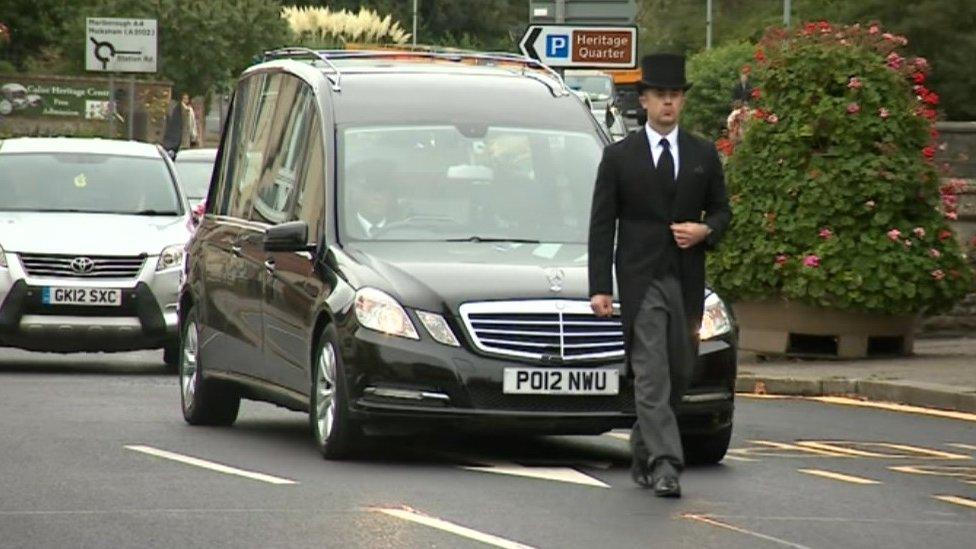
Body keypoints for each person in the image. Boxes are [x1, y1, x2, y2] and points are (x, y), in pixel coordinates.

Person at [587, 53, 731, 498]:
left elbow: (723, 212)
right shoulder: (618, 157)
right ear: (644, 101)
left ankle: (644, 445)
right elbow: (601, 223)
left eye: (675, 96)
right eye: (660, 96)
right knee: (651, 372)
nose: (668, 104)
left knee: (680, 369)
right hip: (639, 278)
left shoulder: (703, 154)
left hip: (685, 280)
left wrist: (704, 230)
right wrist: (600, 288)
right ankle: (668, 463)